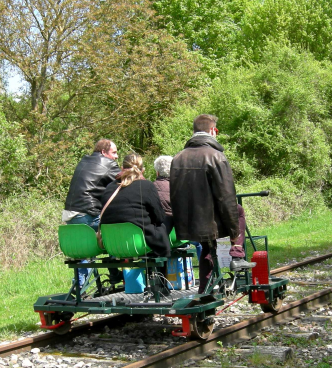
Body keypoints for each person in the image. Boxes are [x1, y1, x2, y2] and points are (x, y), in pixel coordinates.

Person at [170, 114, 254, 294]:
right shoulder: (217, 157)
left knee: (207, 247)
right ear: (212, 131)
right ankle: (237, 255)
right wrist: (233, 232)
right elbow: (226, 197)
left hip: (188, 221)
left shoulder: (178, 158)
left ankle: (204, 290)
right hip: (211, 220)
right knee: (238, 211)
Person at [63, 139, 120, 287]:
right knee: (115, 233)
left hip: (70, 215)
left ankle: (79, 286)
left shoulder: (84, 161)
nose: (116, 156)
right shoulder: (108, 164)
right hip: (87, 214)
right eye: (114, 152)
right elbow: (127, 182)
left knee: (86, 251)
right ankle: (115, 275)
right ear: (103, 152)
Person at [100, 153, 171, 258]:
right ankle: (160, 272)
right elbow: (159, 217)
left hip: (112, 244)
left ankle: (116, 274)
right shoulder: (147, 186)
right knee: (161, 228)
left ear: (122, 168)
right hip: (137, 242)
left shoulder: (110, 187)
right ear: (142, 170)